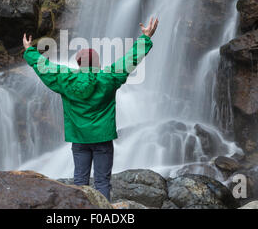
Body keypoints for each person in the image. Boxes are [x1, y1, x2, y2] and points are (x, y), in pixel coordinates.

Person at [23, 17, 159, 201]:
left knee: (80, 181)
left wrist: (29, 51)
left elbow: (44, 67)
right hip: (102, 138)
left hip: (79, 138)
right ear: (98, 63)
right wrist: (145, 38)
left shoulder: (65, 79)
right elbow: (129, 60)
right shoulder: (108, 77)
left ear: (78, 63)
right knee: (102, 182)